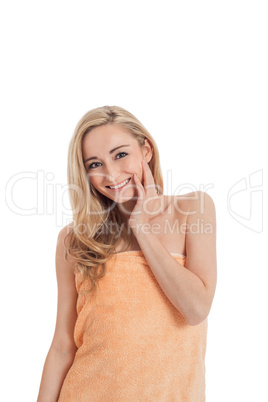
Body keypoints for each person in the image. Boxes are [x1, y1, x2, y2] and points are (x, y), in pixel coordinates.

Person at [37, 105, 217, 401]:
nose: (110, 173)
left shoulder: (193, 209)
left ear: (145, 150)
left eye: (120, 155)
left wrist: (142, 228)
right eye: (94, 164)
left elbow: (196, 310)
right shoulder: (75, 240)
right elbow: (62, 346)